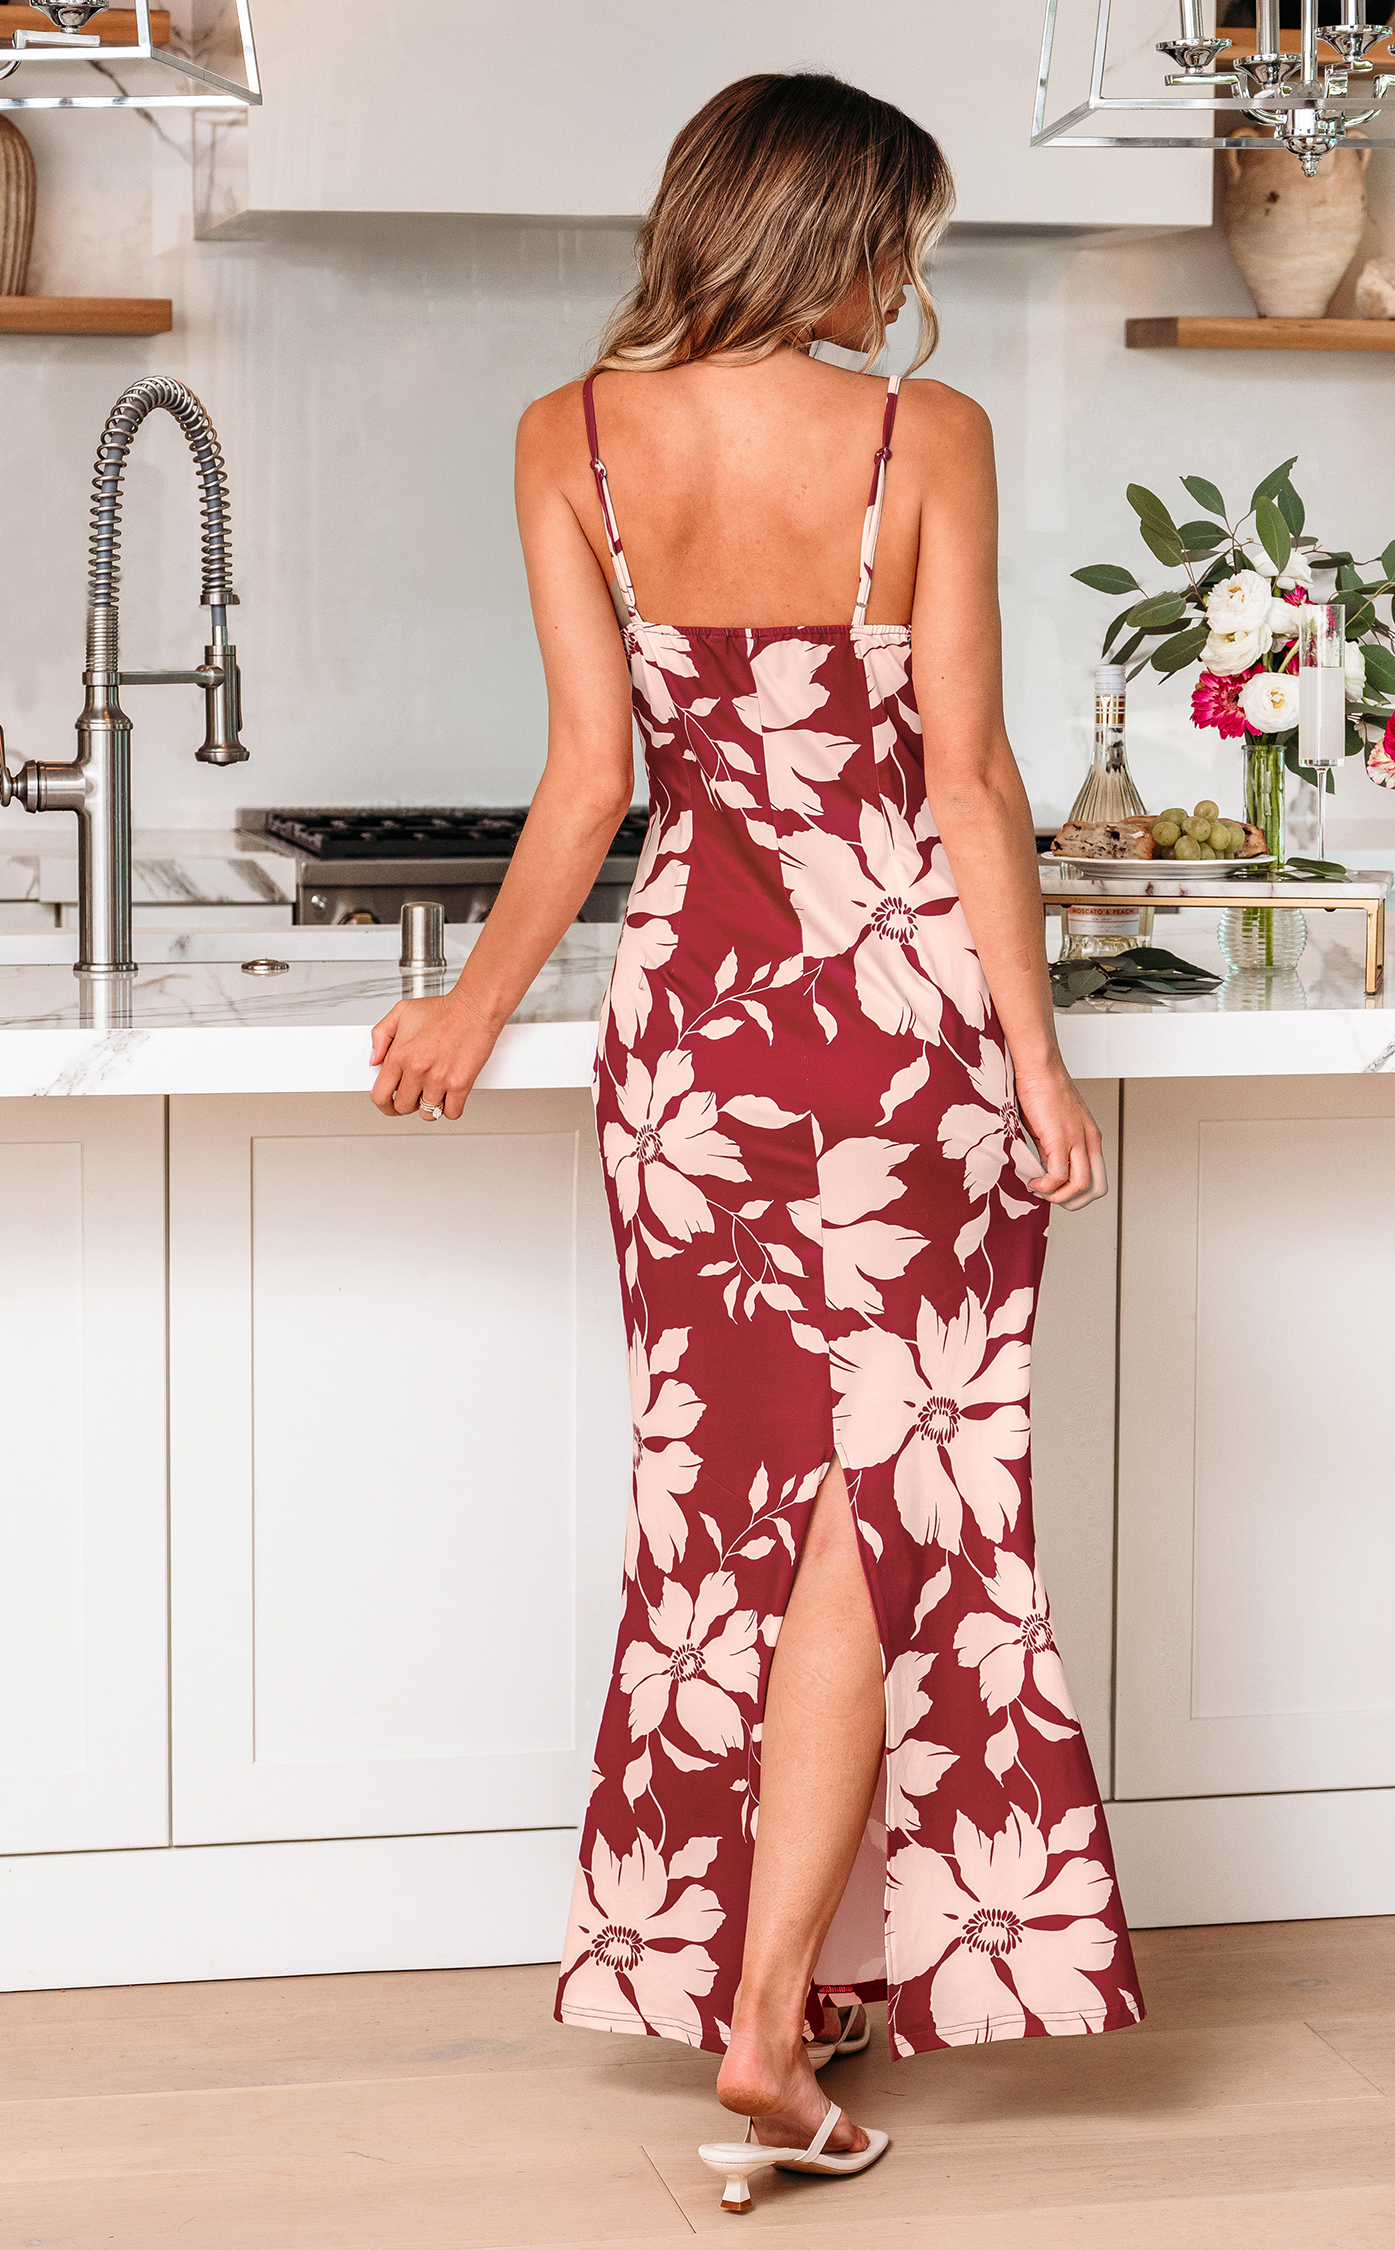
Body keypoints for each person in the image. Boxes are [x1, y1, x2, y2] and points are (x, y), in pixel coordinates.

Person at [369, 70, 1143, 2213]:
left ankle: (777, 1985)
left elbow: (589, 784)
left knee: (737, 1505)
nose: (909, 281)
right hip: (903, 1025)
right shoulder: (923, 438)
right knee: (889, 1504)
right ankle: (775, 2011)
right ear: (837, 236)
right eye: (902, 239)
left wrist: (470, 1007)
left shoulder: (566, 436)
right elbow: (970, 780)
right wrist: (1039, 1064)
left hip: (695, 1036)